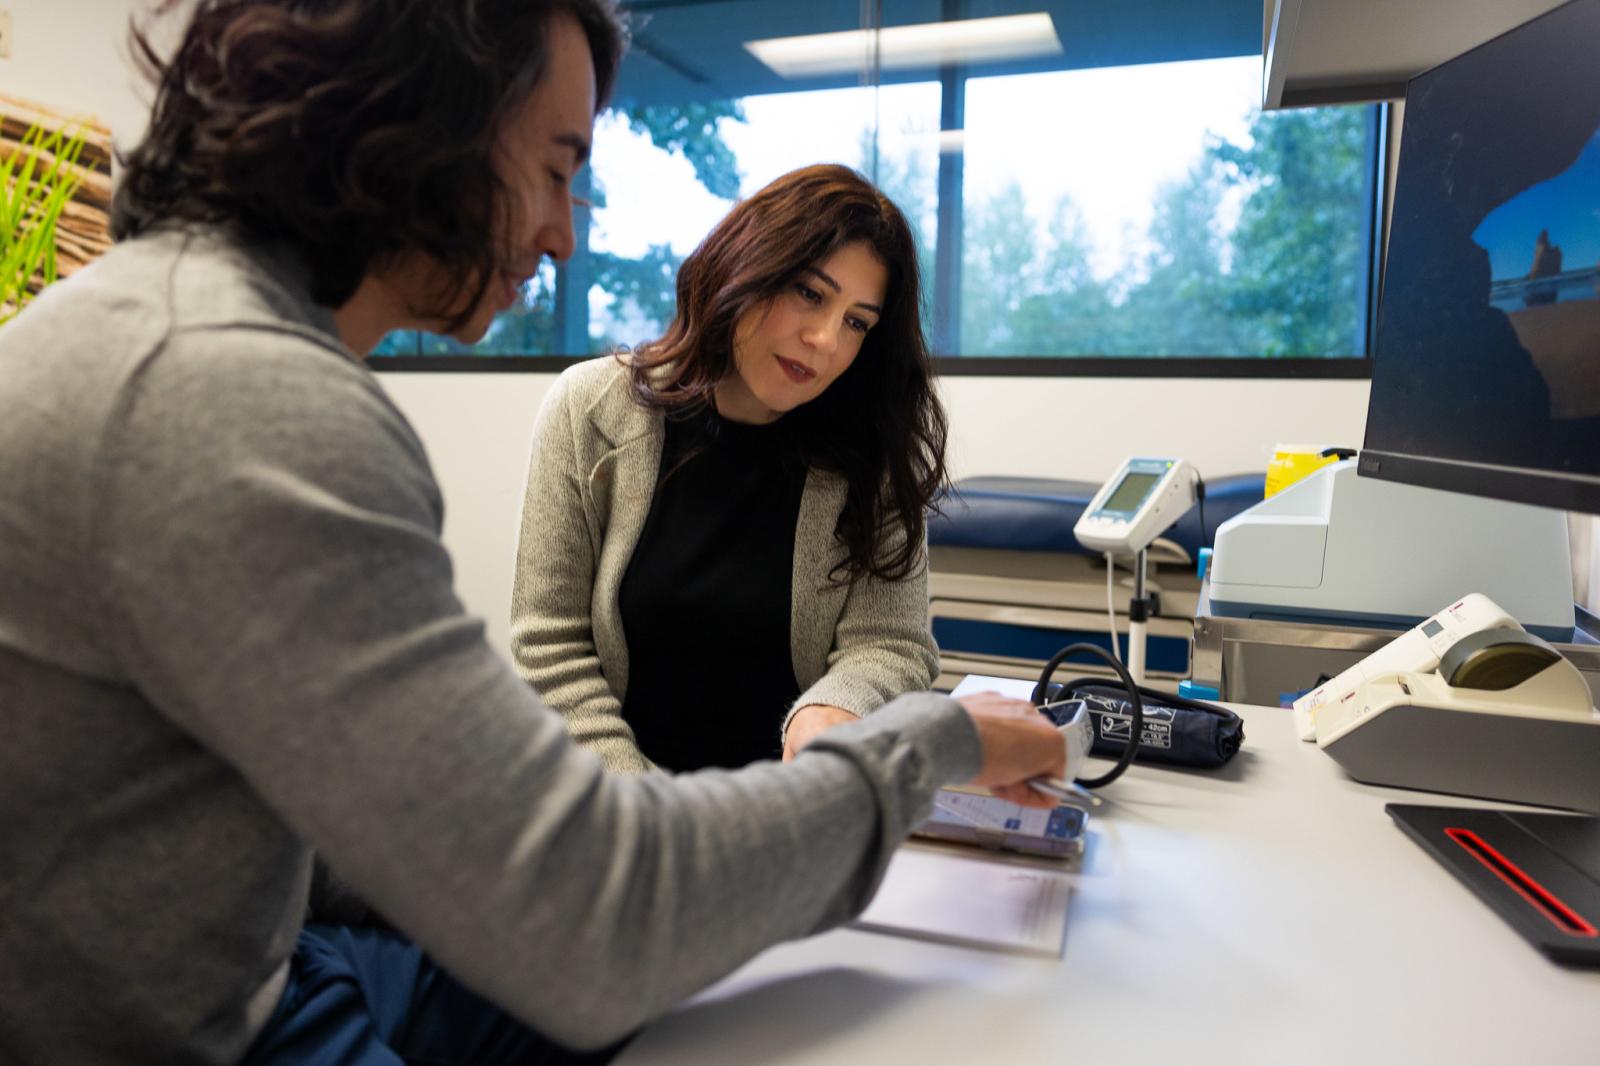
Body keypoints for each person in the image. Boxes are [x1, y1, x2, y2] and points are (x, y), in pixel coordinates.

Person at [0, 2, 1069, 1065]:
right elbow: (596, 921)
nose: (563, 233)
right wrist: (937, 740)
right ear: (413, 128)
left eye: (858, 323)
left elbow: (320, 814)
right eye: (556, 168)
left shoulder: (145, 325)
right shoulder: (249, 401)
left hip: (270, 953)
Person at [511, 164, 948, 774]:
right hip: (617, 811)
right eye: (809, 293)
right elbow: (550, 649)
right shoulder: (590, 408)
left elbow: (892, 642)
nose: (825, 338)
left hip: (794, 806)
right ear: (743, 267)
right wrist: (648, 811)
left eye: (857, 323)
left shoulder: (871, 446)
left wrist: (835, 707)